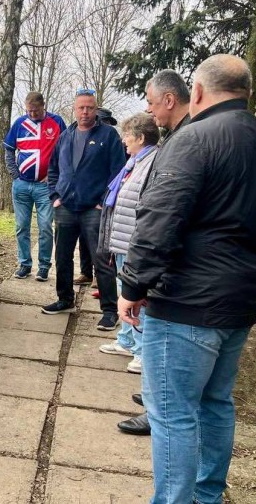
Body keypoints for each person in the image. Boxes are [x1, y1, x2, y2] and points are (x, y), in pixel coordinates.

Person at [118, 55, 256, 504]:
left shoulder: (193, 138)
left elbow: (158, 220)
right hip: (241, 299)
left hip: (189, 301)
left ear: (195, 92)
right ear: (246, 92)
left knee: (172, 414)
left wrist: (132, 286)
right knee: (215, 403)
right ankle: (206, 496)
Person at [116, 68, 191, 437]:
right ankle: (154, 402)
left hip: (183, 281)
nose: (151, 111)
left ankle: (156, 413)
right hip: (215, 282)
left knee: (167, 359)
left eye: (151, 103)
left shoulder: (184, 145)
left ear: (169, 100)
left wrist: (134, 286)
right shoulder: (250, 139)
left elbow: (159, 219)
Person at [42, 88, 126, 330]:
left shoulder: (108, 135)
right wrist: (55, 195)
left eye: (90, 107)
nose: (85, 111)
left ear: (96, 108)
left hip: (94, 208)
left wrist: (103, 202)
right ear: (75, 108)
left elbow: (117, 173)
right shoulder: (65, 136)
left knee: (102, 260)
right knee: (62, 256)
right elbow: (54, 168)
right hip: (66, 206)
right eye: (81, 107)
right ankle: (64, 299)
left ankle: (109, 311)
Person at [96, 112, 160, 374]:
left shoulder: (151, 162)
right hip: (122, 240)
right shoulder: (135, 161)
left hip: (133, 242)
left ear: (141, 138)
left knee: (135, 297)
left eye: (128, 136)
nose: (124, 140)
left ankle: (142, 351)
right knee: (125, 292)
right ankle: (126, 341)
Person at [4, 91, 66, 281]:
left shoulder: (56, 122)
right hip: (21, 185)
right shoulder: (19, 123)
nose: (32, 114)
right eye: (29, 111)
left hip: (44, 187)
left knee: (45, 226)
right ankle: (24, 264)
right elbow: (9, 149)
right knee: (22, 226)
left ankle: (44, 266)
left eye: (35, 111)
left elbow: (65, 151)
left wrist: (53, 176)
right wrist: (15, 174)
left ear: (43, 106)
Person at [76, 107, 119, 287]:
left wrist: (105, 199)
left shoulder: (112, 138)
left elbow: (116, 170)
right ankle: (86, 272)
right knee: (84, 238)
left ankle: (98, 275)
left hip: (104, 198)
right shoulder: (85, 139)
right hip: (84, 198)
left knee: (100, 240)